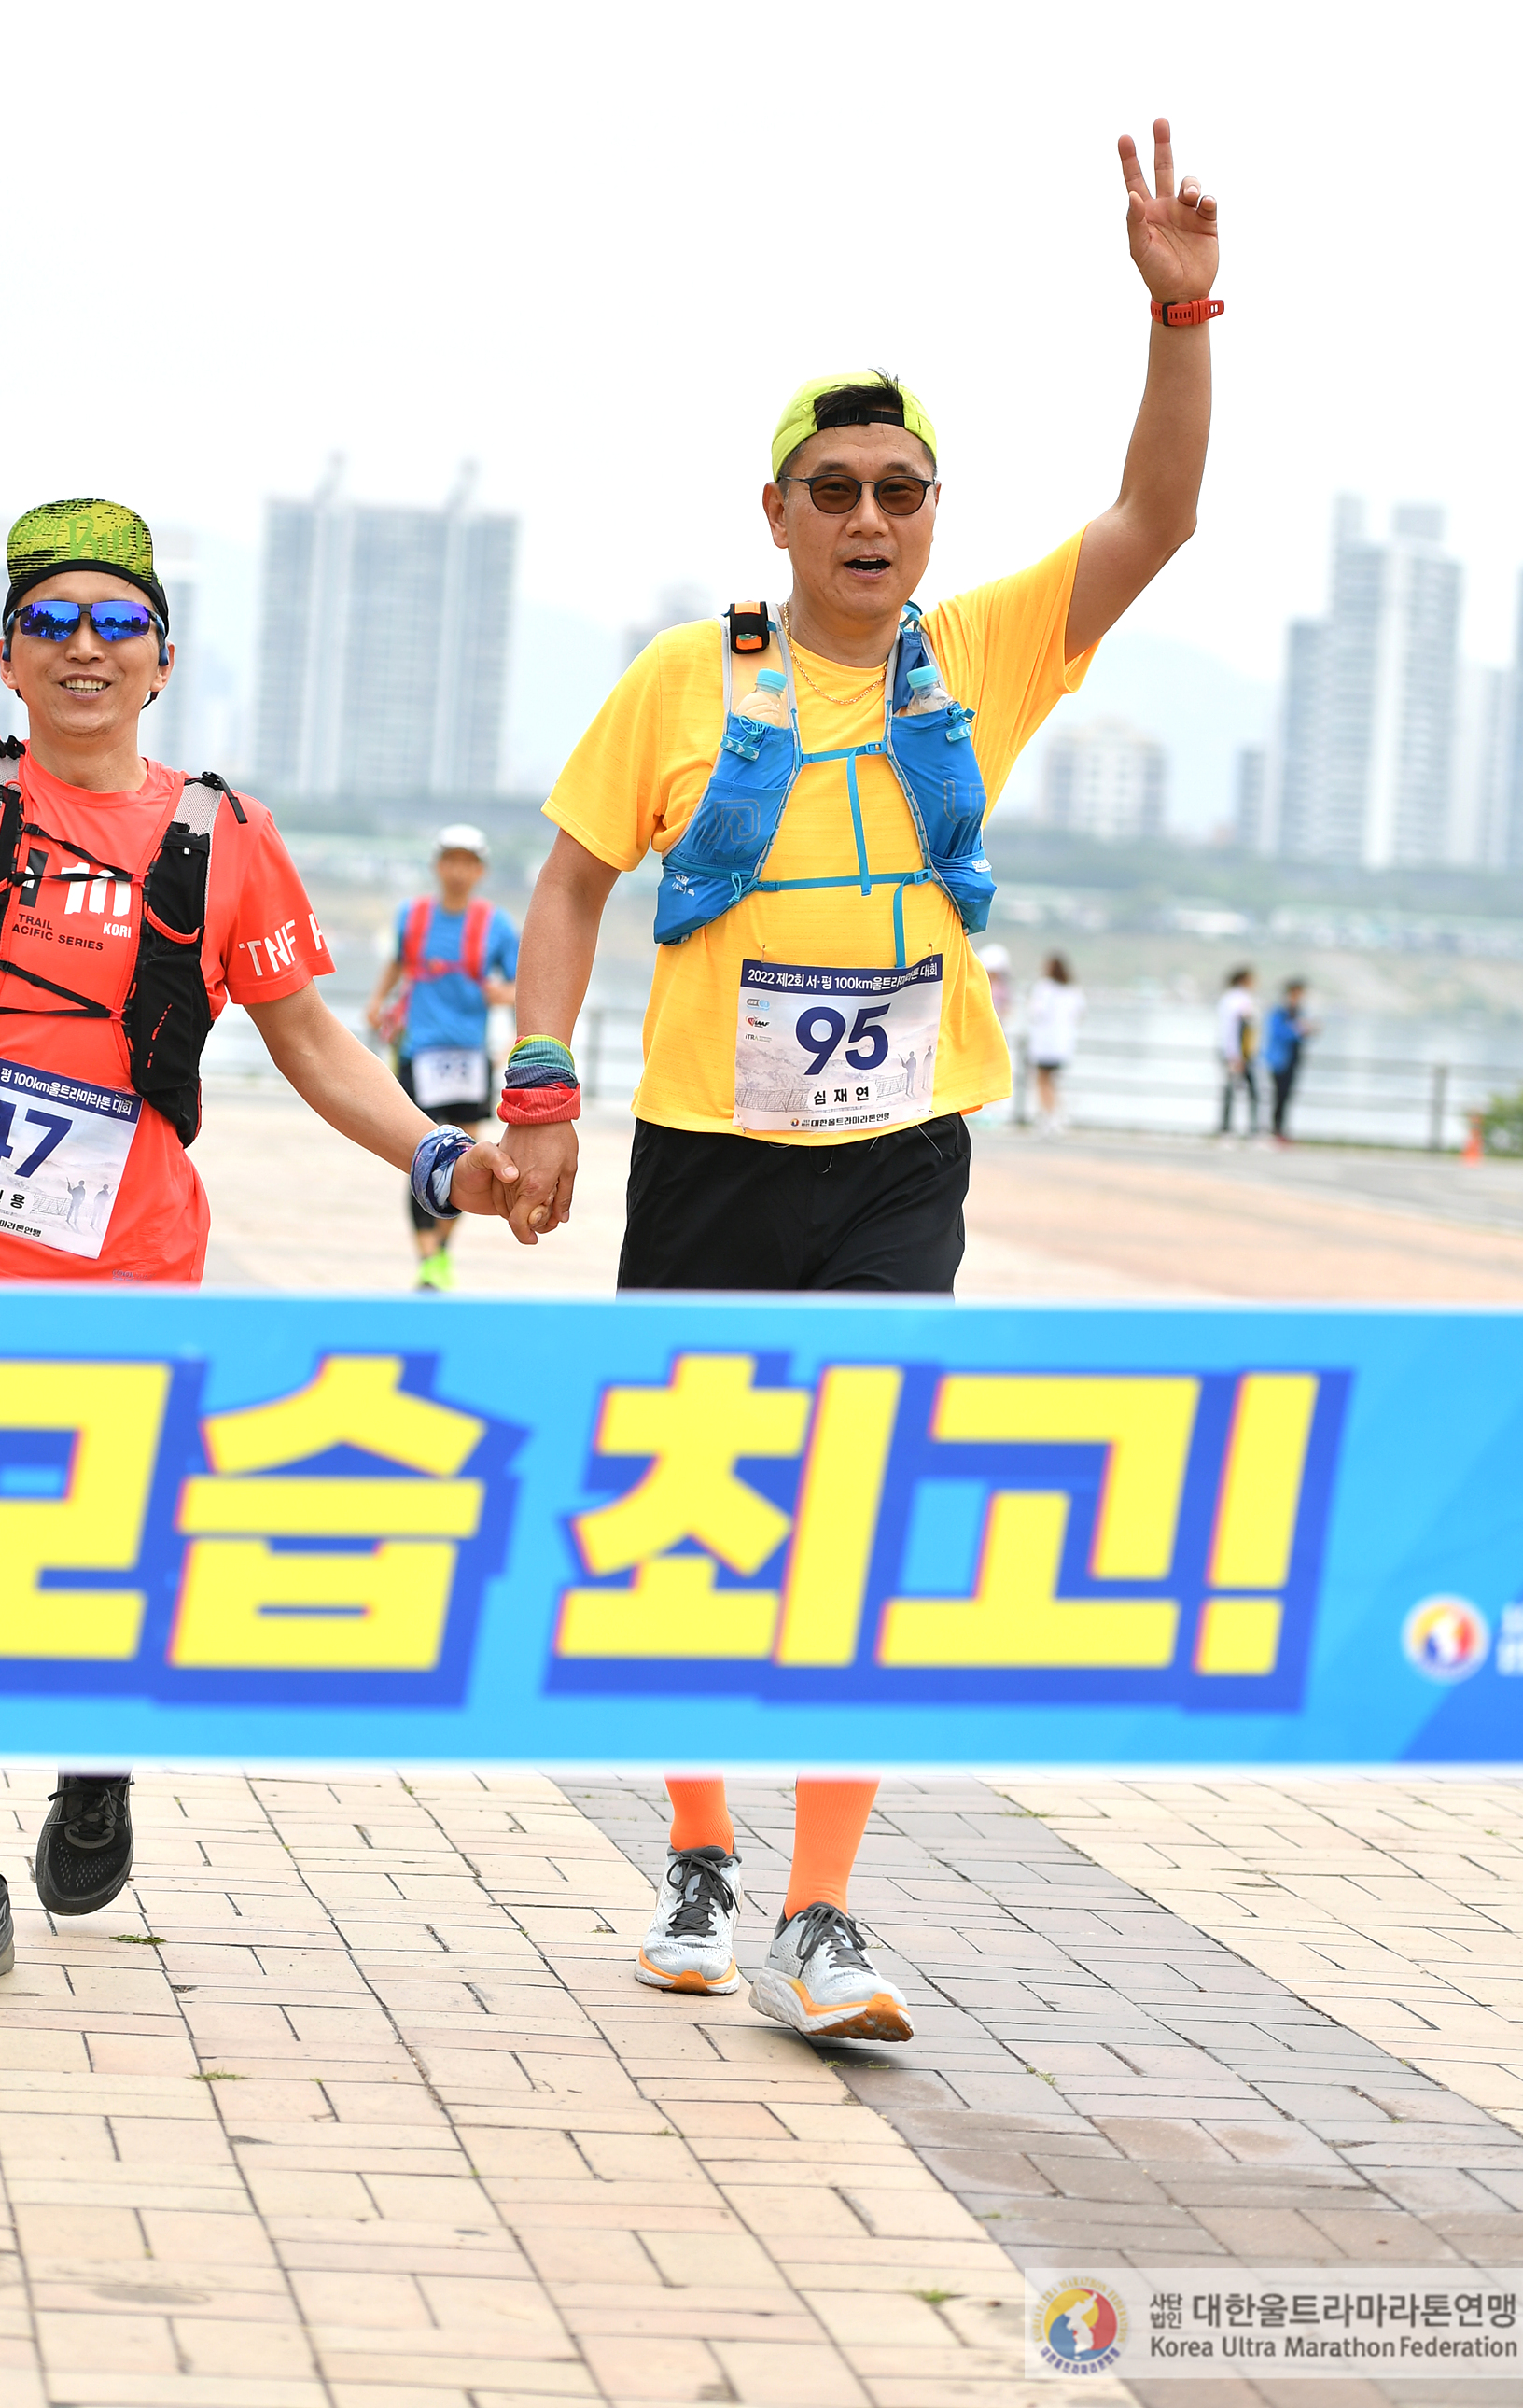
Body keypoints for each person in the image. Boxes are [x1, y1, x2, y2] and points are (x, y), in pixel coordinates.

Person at [495, 118, 1221, 2043]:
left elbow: (1155, 520)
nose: (870, 518)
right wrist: (540, 1087)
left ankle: (821, 1913)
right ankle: (697, 1853)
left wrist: (1179, 317)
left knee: (863, 1519)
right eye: (836, 490)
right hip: (711, 1153)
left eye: (901, 490)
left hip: (900, 1156)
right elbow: (569, 881)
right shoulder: (685, 676)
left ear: (932, 514)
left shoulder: (977, 654)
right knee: (693, 1509)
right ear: (777, 512)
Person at [0, 417, 521, 1999]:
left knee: (99, 1563)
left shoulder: (222, 838)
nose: (85, 647)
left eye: (117, 621)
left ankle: (97, 1744)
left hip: (129, 1269)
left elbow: (312, 1043)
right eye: (52, 621)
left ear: (161, 659)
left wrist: (441, 1158)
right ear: (7, 656)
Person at [364, 823, 518, 1289]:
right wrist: (377, 1001)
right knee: (420, 1156)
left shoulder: (496, 926)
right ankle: (427, 1255)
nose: (457, 871)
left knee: (467, 1160)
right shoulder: (412, 916)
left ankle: (442, 1253)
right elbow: (397, 962)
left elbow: (522, 985)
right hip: (419, 1053)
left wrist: (505, 997)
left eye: (467, 863)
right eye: (450, 860)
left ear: (480, 871)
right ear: (437, 865)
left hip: (469, 1057)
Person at [1024, 952, 1084, 1134]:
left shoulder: (1044, 988)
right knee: (1053, 1082)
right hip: (1062, 1045)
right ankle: (1056, 1117)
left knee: (1042, 1081)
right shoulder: (1072, 989)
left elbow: (1036, 1012)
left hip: (1044, 1044)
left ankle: (1048, 1118)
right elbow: (1079, 1013)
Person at [1263, 977, 1315, 1142]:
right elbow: (1279, 1033)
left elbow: (1300, 1035)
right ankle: (1275, 1130)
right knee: (1279, 1094)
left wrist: (1307, 1031)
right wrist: (1299, 1031)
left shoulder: (1298, 1012)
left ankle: (1280, 1130)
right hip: (1280, 1060)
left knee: (1286, 1096)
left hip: (1293, 1059)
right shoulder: (1280, 1012)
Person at [1215, 964, 1259, 1137]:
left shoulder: (1228, 998)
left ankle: (1227, 1129)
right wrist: (1236, 1056)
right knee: (1246, 1091)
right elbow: (1235, 1029)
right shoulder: (1240, 1000)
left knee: (1231, 1090)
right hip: (1238, 1053)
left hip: (1233, 1051)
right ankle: (1248, 1130)